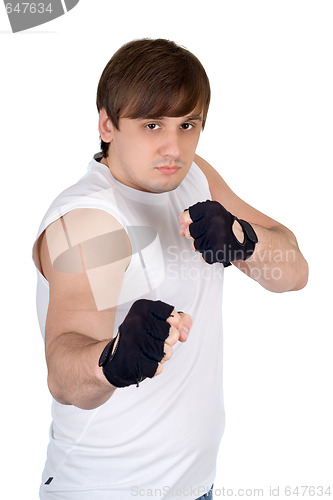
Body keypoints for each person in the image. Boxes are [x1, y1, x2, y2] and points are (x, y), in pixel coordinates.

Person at [32, 38, 308, 500]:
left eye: (188, 124)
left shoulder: (195, 175)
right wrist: (113, 360)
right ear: (107, 124)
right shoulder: (91, 220)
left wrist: (243, 240)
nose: (173, 146)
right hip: (106, 490)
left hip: (195, 485)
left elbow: (295, 272)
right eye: (152, 124)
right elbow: (63, 376)